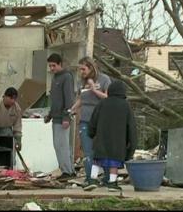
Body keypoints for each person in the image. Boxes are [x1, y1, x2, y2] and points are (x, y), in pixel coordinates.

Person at [83, 80, 137, 192]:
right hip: (118, 141)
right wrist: (131, 144)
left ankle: (92, 180)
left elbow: (93, 120)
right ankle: (112, 183)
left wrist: (91, 133)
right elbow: (131, 126)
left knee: (97, 159)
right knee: (114, 162)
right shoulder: (126, 105)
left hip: (101, 138)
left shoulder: (102, 103)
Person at [71, 56, 111, 185]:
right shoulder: (81, 82)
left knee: (102, 149)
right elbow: (81, 99)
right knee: (88, 151)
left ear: (91, 67)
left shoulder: (104, 79)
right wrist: (73, 108)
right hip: (85, 120)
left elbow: (107, 97)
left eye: (83, 69)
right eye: (80, 70)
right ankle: (90, 178)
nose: (81, 72)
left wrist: (94, 89)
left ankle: (107, 177)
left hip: (101, 119)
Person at [44, 53, 76, 180]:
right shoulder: (55, 77)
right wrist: (50, 115)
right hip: (56, 117)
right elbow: (55, 99)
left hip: (63, 118)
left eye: (54, 65)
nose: (51, 68)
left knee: (61, 145)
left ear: (60, 64)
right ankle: (68, 170)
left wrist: (66, 117)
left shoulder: (66, 77)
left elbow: (69, 99)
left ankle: (67, 172)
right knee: (60, 145)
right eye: (50, 66)